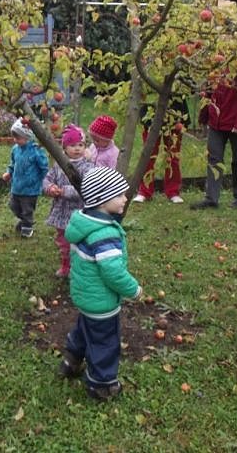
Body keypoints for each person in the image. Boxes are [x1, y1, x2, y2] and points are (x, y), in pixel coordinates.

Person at [58, 166, 143, 401]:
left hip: (85, 297)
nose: (125, 198)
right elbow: (112, 273)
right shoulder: (104, 234)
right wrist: (133, 289)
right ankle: (101, 385)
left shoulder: (82, 223)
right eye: (120, 194)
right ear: (102, 200)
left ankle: (71, 361)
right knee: (105, 342)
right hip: (101, 302)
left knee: (84, 329)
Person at [191, 78, 237, 209]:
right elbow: (210, 88)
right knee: (214, 158)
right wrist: (204, 114)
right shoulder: (218, 61)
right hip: (217, 119)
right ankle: (211, 198)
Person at [43, 124, 94, 278]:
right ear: (64, 148)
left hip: (79, 212)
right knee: (63, 241)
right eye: (72, 145)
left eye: (81, 145)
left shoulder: (88, 167)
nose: (77, 148)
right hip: (62, 212)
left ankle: (80, 266)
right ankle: (66, 265)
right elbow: (47, 179)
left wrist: (64, 191)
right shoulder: (59, 165)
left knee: (79, 241)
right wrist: (50, 187)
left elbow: (86, 188)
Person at [132, 97, 190, 204]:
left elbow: (183, 93)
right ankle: (144, 191)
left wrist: (182, 120)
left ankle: (173, 192)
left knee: (173, 157)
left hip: (174, 120)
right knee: (148, 156)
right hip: (151, 119)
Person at [2, 118, 49, 238]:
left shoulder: (36, 150)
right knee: (13, 205)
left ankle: (27, 228)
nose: (15, 140)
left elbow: (44, 166)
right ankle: (24, 222)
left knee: (27, 209)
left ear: (27, 136)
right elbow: (13, 164)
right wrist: (9, 172)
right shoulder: (15, 150)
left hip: (30, 188)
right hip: (17, 186)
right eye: (14, 138)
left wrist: (43, 180)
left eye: (18, 138)